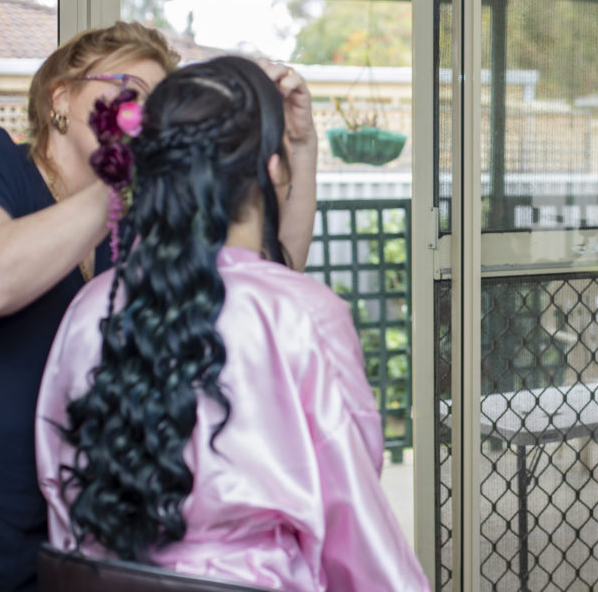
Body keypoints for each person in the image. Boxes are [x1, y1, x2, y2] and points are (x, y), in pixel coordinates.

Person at [34, 56, 429, 592]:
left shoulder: (91, 309)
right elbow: (352, 518)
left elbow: (61, 490)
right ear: (271, 170)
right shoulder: (303, 315)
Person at [0, 21, 179, 591]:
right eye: (127, 88)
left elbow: (271, 272)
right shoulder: (0, 159)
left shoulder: (129, 221)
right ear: (62, 98)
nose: (139, 116)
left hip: (81, 532)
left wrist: (301, 149)